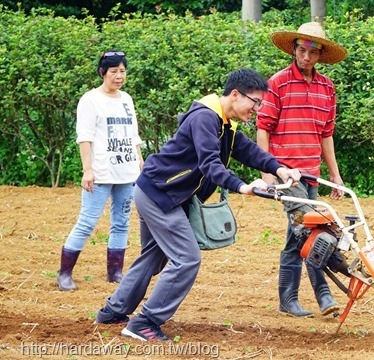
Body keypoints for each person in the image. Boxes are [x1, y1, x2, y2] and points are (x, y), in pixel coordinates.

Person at [94, 68, 302, 342]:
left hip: (161, 193)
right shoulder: (205, 118)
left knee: (154, 257)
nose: (258, 109)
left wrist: (279, 169)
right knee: (186, 259)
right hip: (160, 195)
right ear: (236, 94)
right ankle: (145, 322)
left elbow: (248, 150)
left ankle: (113, 311)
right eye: (256, 102)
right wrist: (242, 186)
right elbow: (210, 164)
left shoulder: (225, 123)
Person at [256, 22, 347, 317]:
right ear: (294, 49)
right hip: (285, 173)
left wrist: (334, 175)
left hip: (311, 174)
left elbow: (326, 135)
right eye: (301, 50)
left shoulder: (326, 88)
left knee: (298, 235)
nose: (306, 56)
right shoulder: (278, 83)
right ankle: (323, 296)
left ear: (320, 55)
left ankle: (288, 299)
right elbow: (263, 127)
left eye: (312, 51)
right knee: (309, 231)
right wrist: (267, 173)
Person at [57, 49, 143, 291]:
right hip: (101, 172)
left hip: (126, 172)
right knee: (87, 222)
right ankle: (64, 273)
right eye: (114, 71)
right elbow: (84, 137)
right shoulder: (90, 100)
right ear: (102, 73)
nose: (119, 76)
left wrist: (139, 159)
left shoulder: (126, 99)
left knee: (122, 223)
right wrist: (88, 170)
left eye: (122, 71)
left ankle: (115, 272)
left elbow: (133, 133)